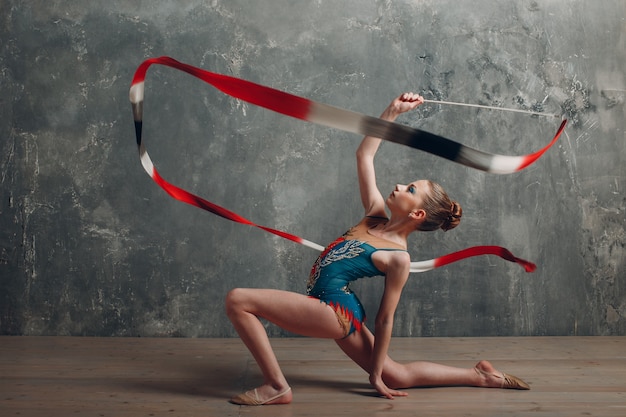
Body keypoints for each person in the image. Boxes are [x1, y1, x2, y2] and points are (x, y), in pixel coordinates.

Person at [225, 92, 529, 406]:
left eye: (410, 189)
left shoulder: (399, 258)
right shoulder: (374, 213)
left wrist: (374, 375)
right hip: (339, 306)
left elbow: (385, 319)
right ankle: (478, 375)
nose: (399, 185)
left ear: (417, 214)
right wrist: (392, 112)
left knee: (238, 300)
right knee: (397, 374)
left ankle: (277, 386)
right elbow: (365, 156)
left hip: (333, 312)